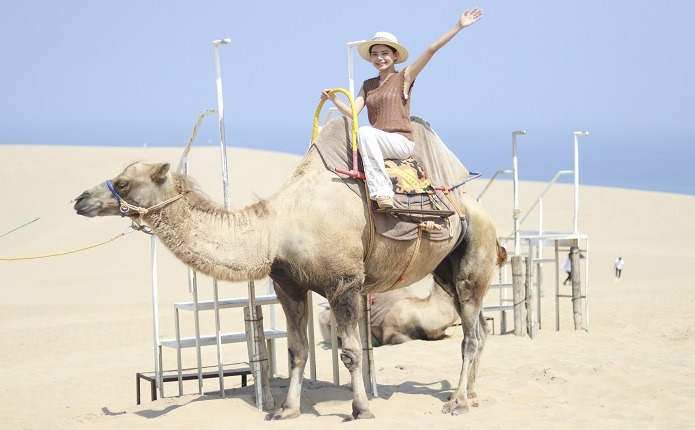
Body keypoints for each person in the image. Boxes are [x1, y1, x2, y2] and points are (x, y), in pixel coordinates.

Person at [321, 8, 483, 209]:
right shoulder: (367, 84)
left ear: (395, 55)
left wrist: (458, 26)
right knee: (357, 137)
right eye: (375, 54)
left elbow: (431, 49)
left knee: (364, 132)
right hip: (376, 141)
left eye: (384, 53)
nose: (380, 58)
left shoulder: (404, 77)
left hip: (400, 142)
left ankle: (382, 193)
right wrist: (334, 99)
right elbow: (352, 112)